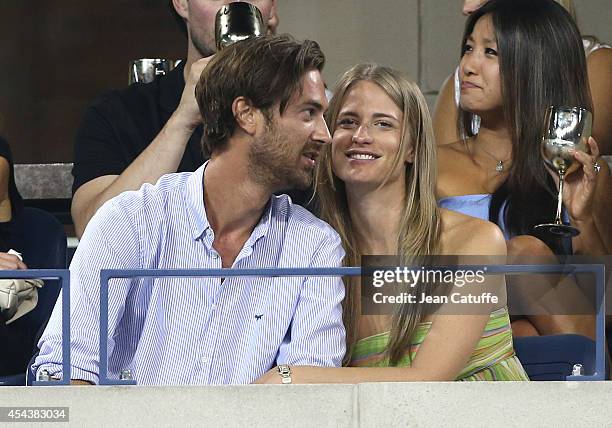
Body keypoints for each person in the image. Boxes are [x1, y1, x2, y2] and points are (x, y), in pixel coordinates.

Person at [33, 35, 346, 385]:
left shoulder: (316, 246)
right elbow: (63, 371)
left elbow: (314, 388)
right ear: (246, 114)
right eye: (309, 113)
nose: (326, 134)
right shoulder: (130, 221)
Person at [255, 64, 528, 384]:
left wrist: (291, 377)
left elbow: (428, 379)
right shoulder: (319, 256)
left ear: (412, 147)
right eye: (348, 122)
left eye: (383, 124)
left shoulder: (476, 240)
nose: (361, 136)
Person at [436, 0, 610, 336]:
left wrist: (583, 221)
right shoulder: (430, 165)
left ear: (536, 65)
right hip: (458, 344)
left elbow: (607, 312)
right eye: (469, 48)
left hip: (569, 359)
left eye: (491, 53)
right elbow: (397, 286)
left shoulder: (582, 171)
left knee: (524, 256)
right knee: (522, 321)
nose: (468, 66)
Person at [70, 0, 280, 237]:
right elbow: (94, 234)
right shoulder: (119, 113)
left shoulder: (304, 114)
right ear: (182, 4)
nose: (234, 4)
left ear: (271, 9)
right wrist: (182, 120)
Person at [433, 0, 612, 156]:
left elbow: (578, 159)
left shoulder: (596, 62)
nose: (466, 7)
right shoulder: (462, 82)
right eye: (468, 48)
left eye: (490, 51)